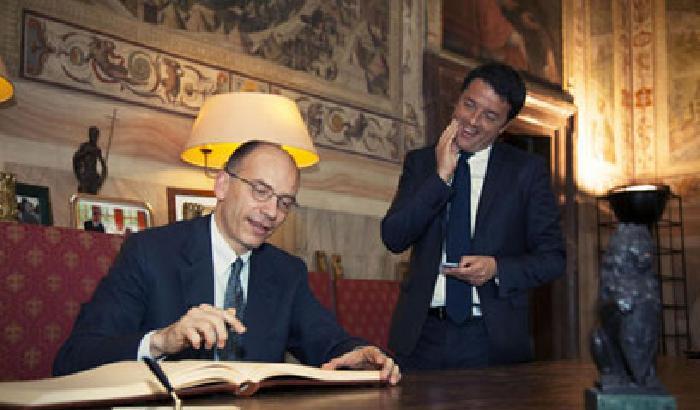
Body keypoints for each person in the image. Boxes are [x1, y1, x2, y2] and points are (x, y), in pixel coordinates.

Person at [54, 141, 400, 385]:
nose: (271, 212)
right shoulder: (150, 252)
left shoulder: (286, 271)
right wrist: (162, 341)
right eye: (260, 191)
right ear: (222, 185)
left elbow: (327, 342)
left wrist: (360, 355)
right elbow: (74, 358)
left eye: (284, 202)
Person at [381, 63, 565, 370]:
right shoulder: (421, 163)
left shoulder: (526, 172)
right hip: (421, 336)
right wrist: (440, 177)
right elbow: (393, 237)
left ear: (504, 127)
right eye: (469, 104)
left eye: (490, 116)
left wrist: (497, 268)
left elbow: (553, 258)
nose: (473, 121)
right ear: (458, 99)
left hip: (491, 339)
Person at [73, 126, 108, 194]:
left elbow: (102, 163)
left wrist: (102, 178)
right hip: (85, 174)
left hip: (93, 175)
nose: (94, 137)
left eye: (96, 135)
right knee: (84, 192)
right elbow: (76, 157)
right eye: (92, 135)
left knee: (93, 193)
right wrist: (85, 152)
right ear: (89, 135)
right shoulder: (85, 146)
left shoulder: (97, 149)